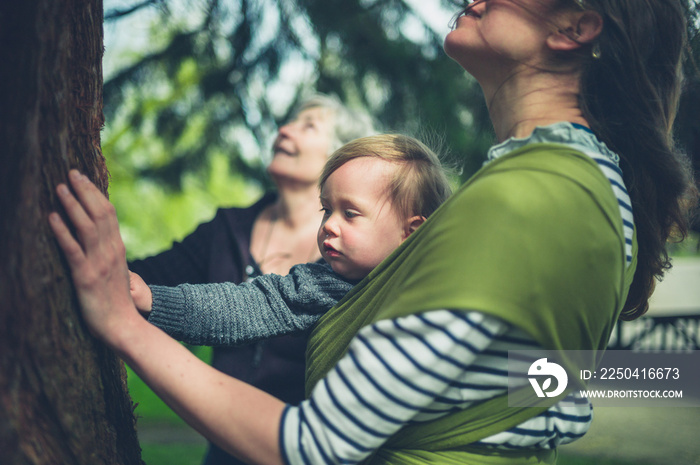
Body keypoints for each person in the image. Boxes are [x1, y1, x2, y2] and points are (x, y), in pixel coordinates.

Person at [49, 1, 697, 464]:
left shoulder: (530, 200)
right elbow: (535, 381)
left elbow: (313, 445)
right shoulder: (584, 193)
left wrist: (122, 322)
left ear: (576, 27)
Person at [127, 93, 374, 464]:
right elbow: (143, 279)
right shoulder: (228, 229)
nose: (284, 130)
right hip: (221, 451)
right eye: (287, 121)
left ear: (340, 157)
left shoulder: (352, 257)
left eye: (307, 126)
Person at [129, 134, 452, 348]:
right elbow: (246, 305)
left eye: (350, 214)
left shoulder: (451, 281)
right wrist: (155, 300)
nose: (328, 226)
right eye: (327, 210)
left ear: (410, 232)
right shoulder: (322, 285)